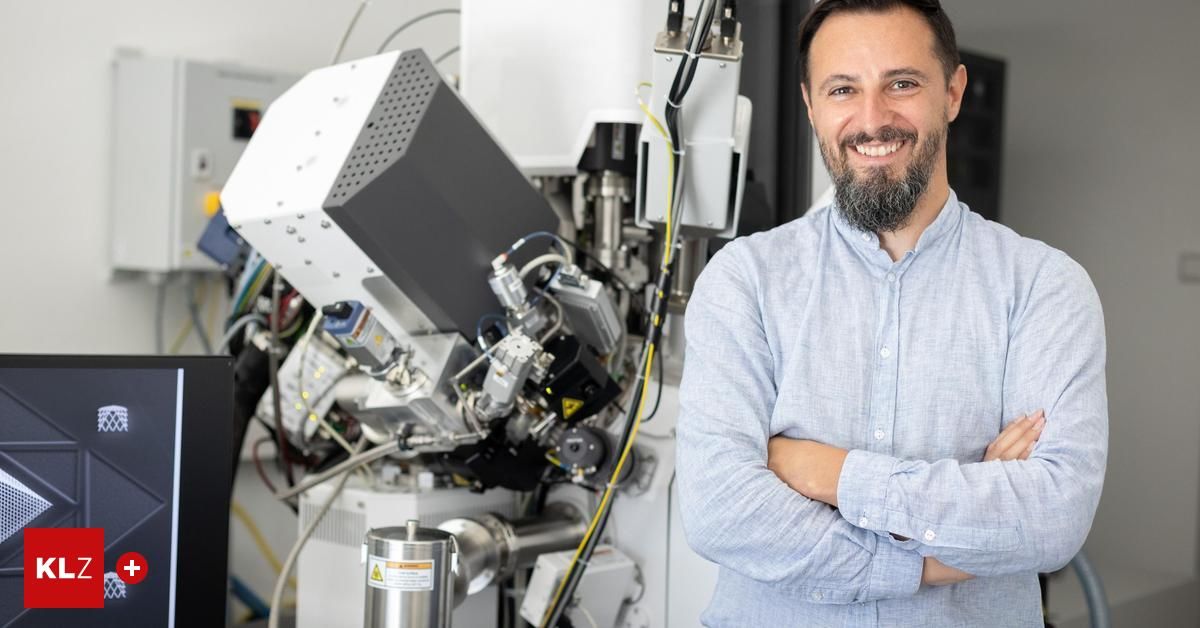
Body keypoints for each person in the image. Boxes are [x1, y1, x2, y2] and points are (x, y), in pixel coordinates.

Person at [675, 0, 1108, 625]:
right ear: (810, 104)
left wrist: (827, 472)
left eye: (902, 84)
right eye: (843, 89)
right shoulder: (744, 282)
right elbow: (722, 510)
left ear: (953, 92)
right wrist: (932, 558)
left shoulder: (1044, 287)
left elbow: (1051, 518)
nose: (872, 119)